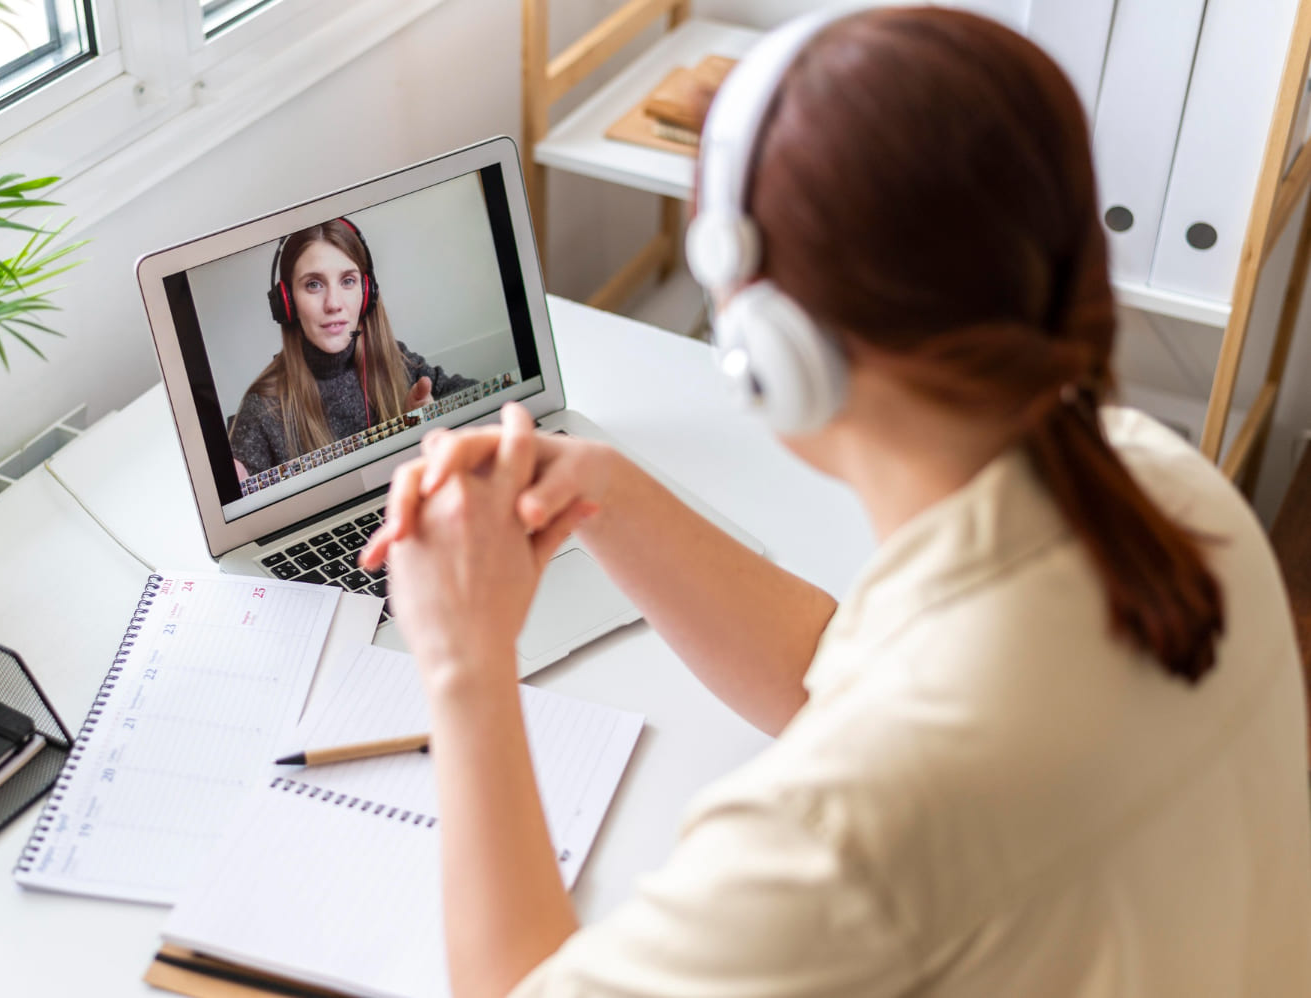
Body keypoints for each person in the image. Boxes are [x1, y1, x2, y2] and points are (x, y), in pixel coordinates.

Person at [361, 7, 1311, 998]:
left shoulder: (855, 826)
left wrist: (466, 666)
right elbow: (840, 678)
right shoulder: (1160, 483)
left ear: (775, 345)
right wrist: (608, 492)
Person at [229, 218, 475, 476]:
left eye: (347, 281)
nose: (334, 303)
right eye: (314, 284)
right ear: (287, 303)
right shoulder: (262, 411)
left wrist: (434, 422)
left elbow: (486, 403)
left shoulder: (398, 360)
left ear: (367, 293)